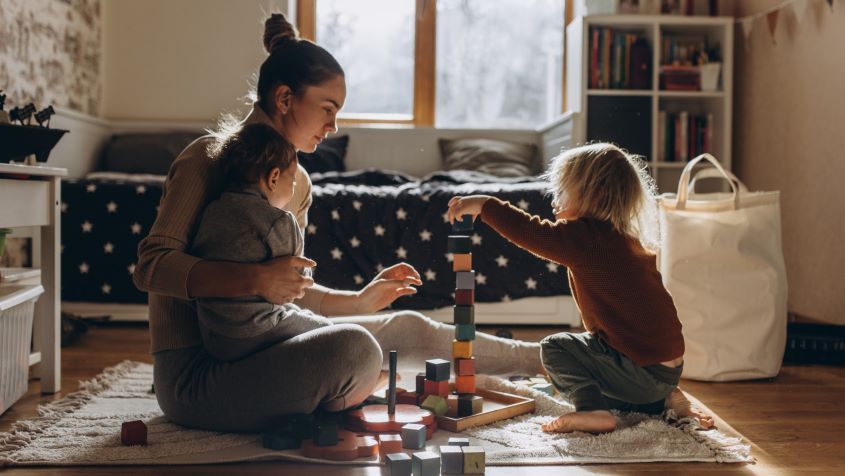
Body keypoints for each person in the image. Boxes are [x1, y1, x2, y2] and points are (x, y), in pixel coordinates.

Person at [133, 12, 542, 433]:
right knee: (354, 351)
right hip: (197, 377)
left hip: (267, 346)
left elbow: (287, 292)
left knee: (404, 327)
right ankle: (344, 392)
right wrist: (254, 279)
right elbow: (152, 266)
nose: (333, 127)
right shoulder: (205, 158)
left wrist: (359, 301)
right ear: (285, 99)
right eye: (328, 109)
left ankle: (544, 359)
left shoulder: (299, 183)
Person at [446, 143, 714, 434]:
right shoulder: (622, 237)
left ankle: (593, 411)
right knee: (591, 369)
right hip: (666, 369)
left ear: (592, 194)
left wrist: (485, 205)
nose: (553, 202)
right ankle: (661, 399)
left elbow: (531, 231)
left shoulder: (586, 237)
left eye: (561, 193)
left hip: (641, 368)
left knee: (555, 348)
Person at [191, 123, 334, 362]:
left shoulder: (212, 210)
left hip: (214, 336)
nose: (293, 190)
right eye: (293, 183)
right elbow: (297, 280)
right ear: (274, 178)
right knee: (332, 332)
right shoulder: (278, 220)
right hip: (257, 328)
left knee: (295, 315)